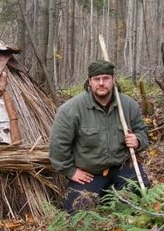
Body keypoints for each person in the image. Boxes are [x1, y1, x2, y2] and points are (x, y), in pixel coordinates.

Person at [49, 60, 150, 213]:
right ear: (89, 82)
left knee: (141, 202)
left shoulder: (129, 105)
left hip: (122, 167)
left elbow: (143, 133)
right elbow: (58, 146)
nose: (101, 83)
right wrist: (71, 171)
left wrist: (137, 141)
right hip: (90, 173)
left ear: (113, 79)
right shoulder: (71, 110)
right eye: (97, 79)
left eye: (106, 78)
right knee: (77, 212)